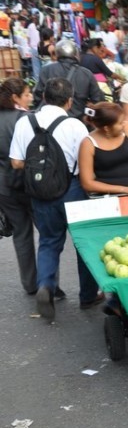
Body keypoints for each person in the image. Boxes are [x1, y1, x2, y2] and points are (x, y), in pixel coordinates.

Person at [9, 78, 102, 320]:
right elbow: (85, 165)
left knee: (49, 241)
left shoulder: (24, 122)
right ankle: (88, 296)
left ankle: (45, 286)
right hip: (72, 190)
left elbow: (17, 162)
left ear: (43, 97)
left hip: (40, 192)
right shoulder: (74, 125)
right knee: (83, 244)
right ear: (70, 101)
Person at [0, 78, 40, 295]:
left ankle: (30, 283)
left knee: (21, 234)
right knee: (47, 233)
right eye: (27, 94)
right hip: (29, 184)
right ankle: (48, 282)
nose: (30, 97)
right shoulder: (26, 120)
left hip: (4, 187)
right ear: (15, 97)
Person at [78, 102, 128, 200]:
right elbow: (87, 183)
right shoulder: (88, 143)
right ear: (106, 128)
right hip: (106, 197)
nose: (124, 124)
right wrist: (124, 189)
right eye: (120, 123)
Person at [34, 40, 105, 119]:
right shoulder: (86, 73)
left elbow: (38, 95)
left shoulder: (46, 70)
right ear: (75, 54)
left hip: (51, 120)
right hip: (79, 120)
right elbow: (97, 99)